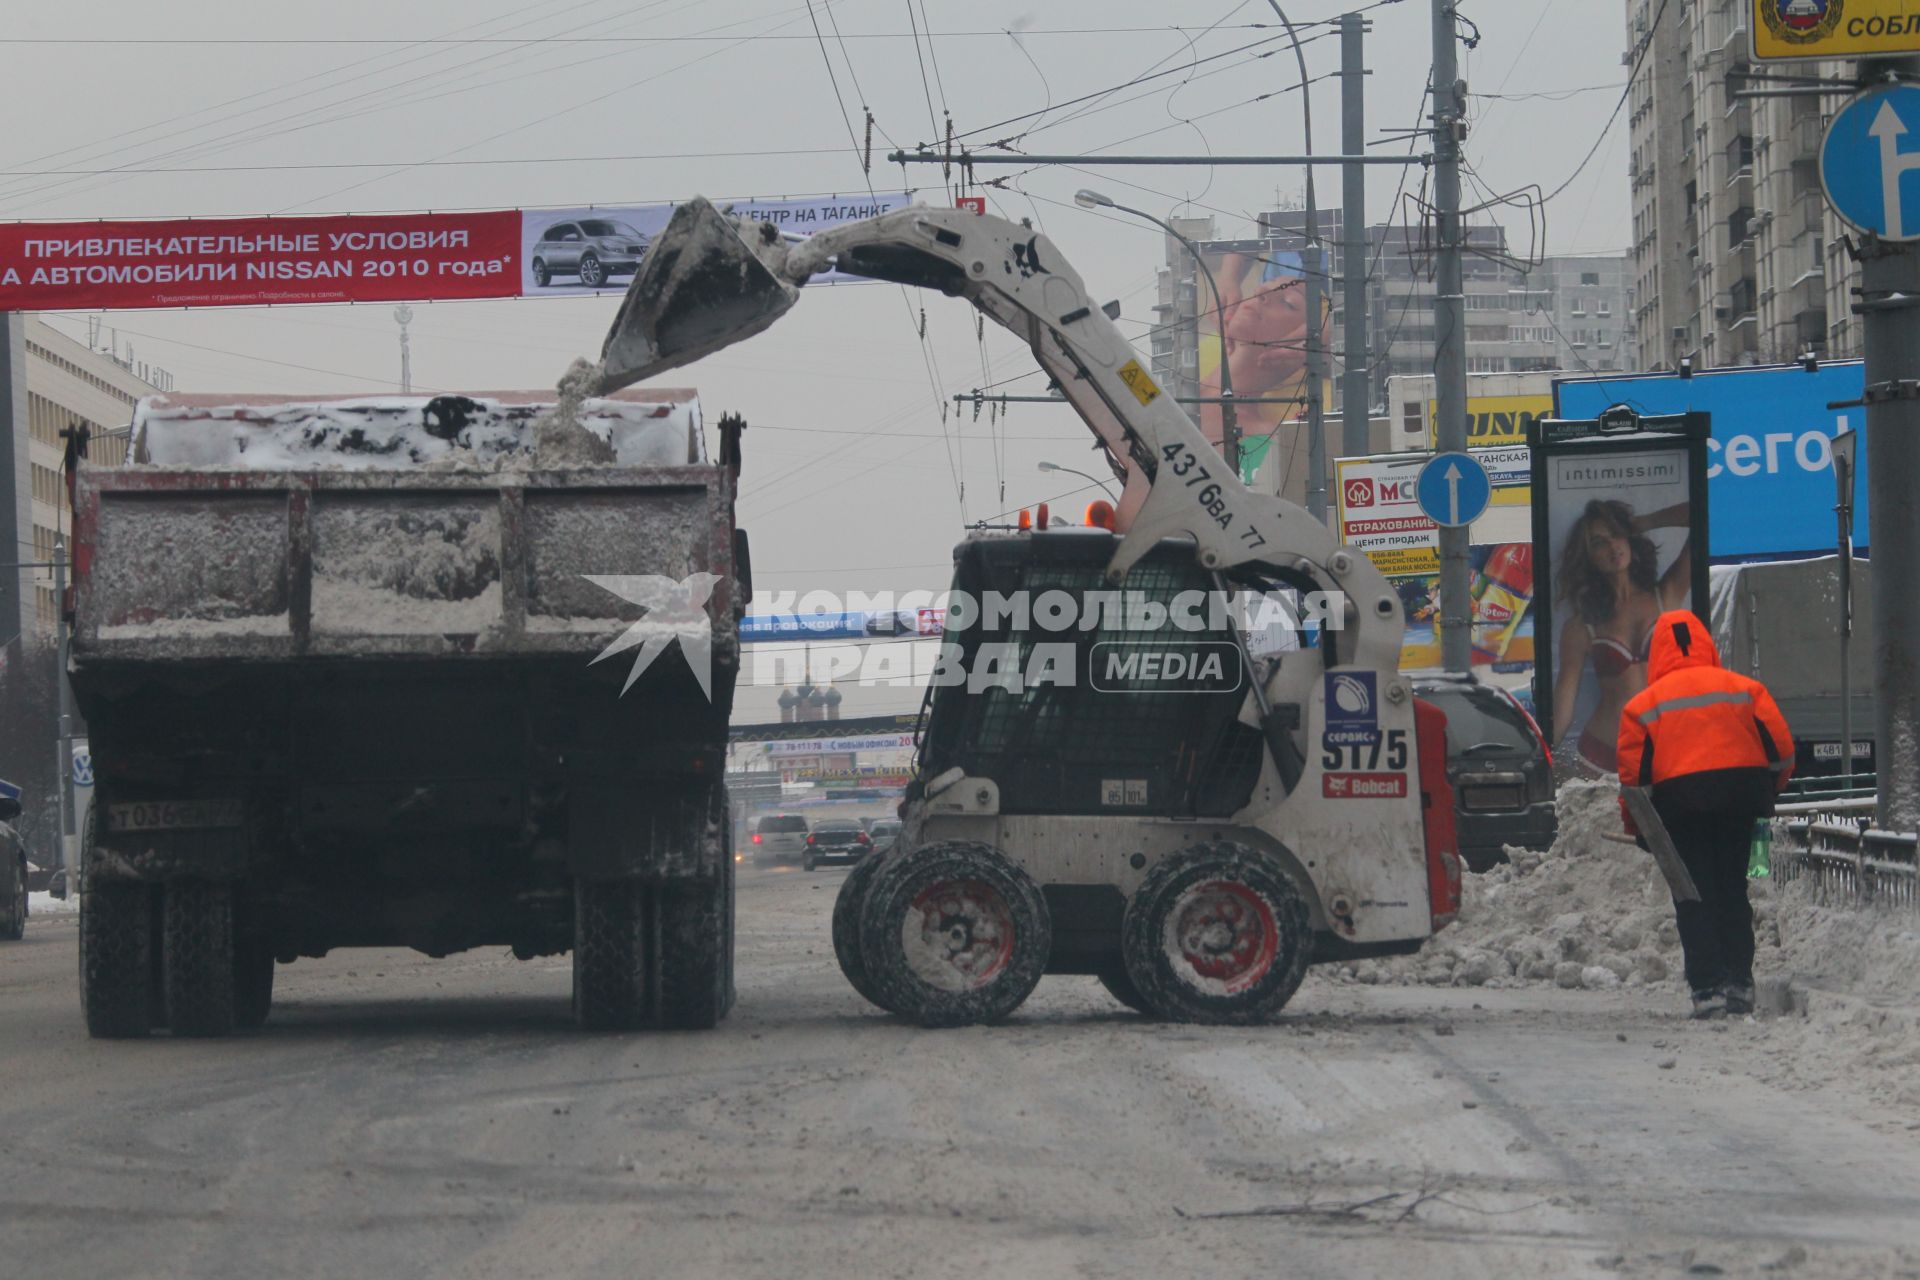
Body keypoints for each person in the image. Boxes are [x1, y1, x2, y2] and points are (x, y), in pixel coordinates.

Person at [1616, 610, 1794, 1018]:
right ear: (1707, 645)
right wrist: (1766, 791)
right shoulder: (1746, 690)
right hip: (1741, 803)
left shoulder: (1643, 708)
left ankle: (1707, 988)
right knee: (1733, 890)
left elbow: (1634, 782)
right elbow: (1782, 751)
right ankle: (1739, 984)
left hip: (1681, 810)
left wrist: (1642, 829)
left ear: (1658, 654)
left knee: (1693, 896)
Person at [1552, 498, 1692, 772]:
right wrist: (1541, 758)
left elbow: (1700, 512)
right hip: (1602, 755)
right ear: (1588, 557)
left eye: (1616, 535)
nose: (1612, 547)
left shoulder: (1666, 596)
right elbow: (1563, 708)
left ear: (1629, 539)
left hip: (1666, 750)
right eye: (1599, 542)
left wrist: (1642, 523)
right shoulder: (1581, 626)